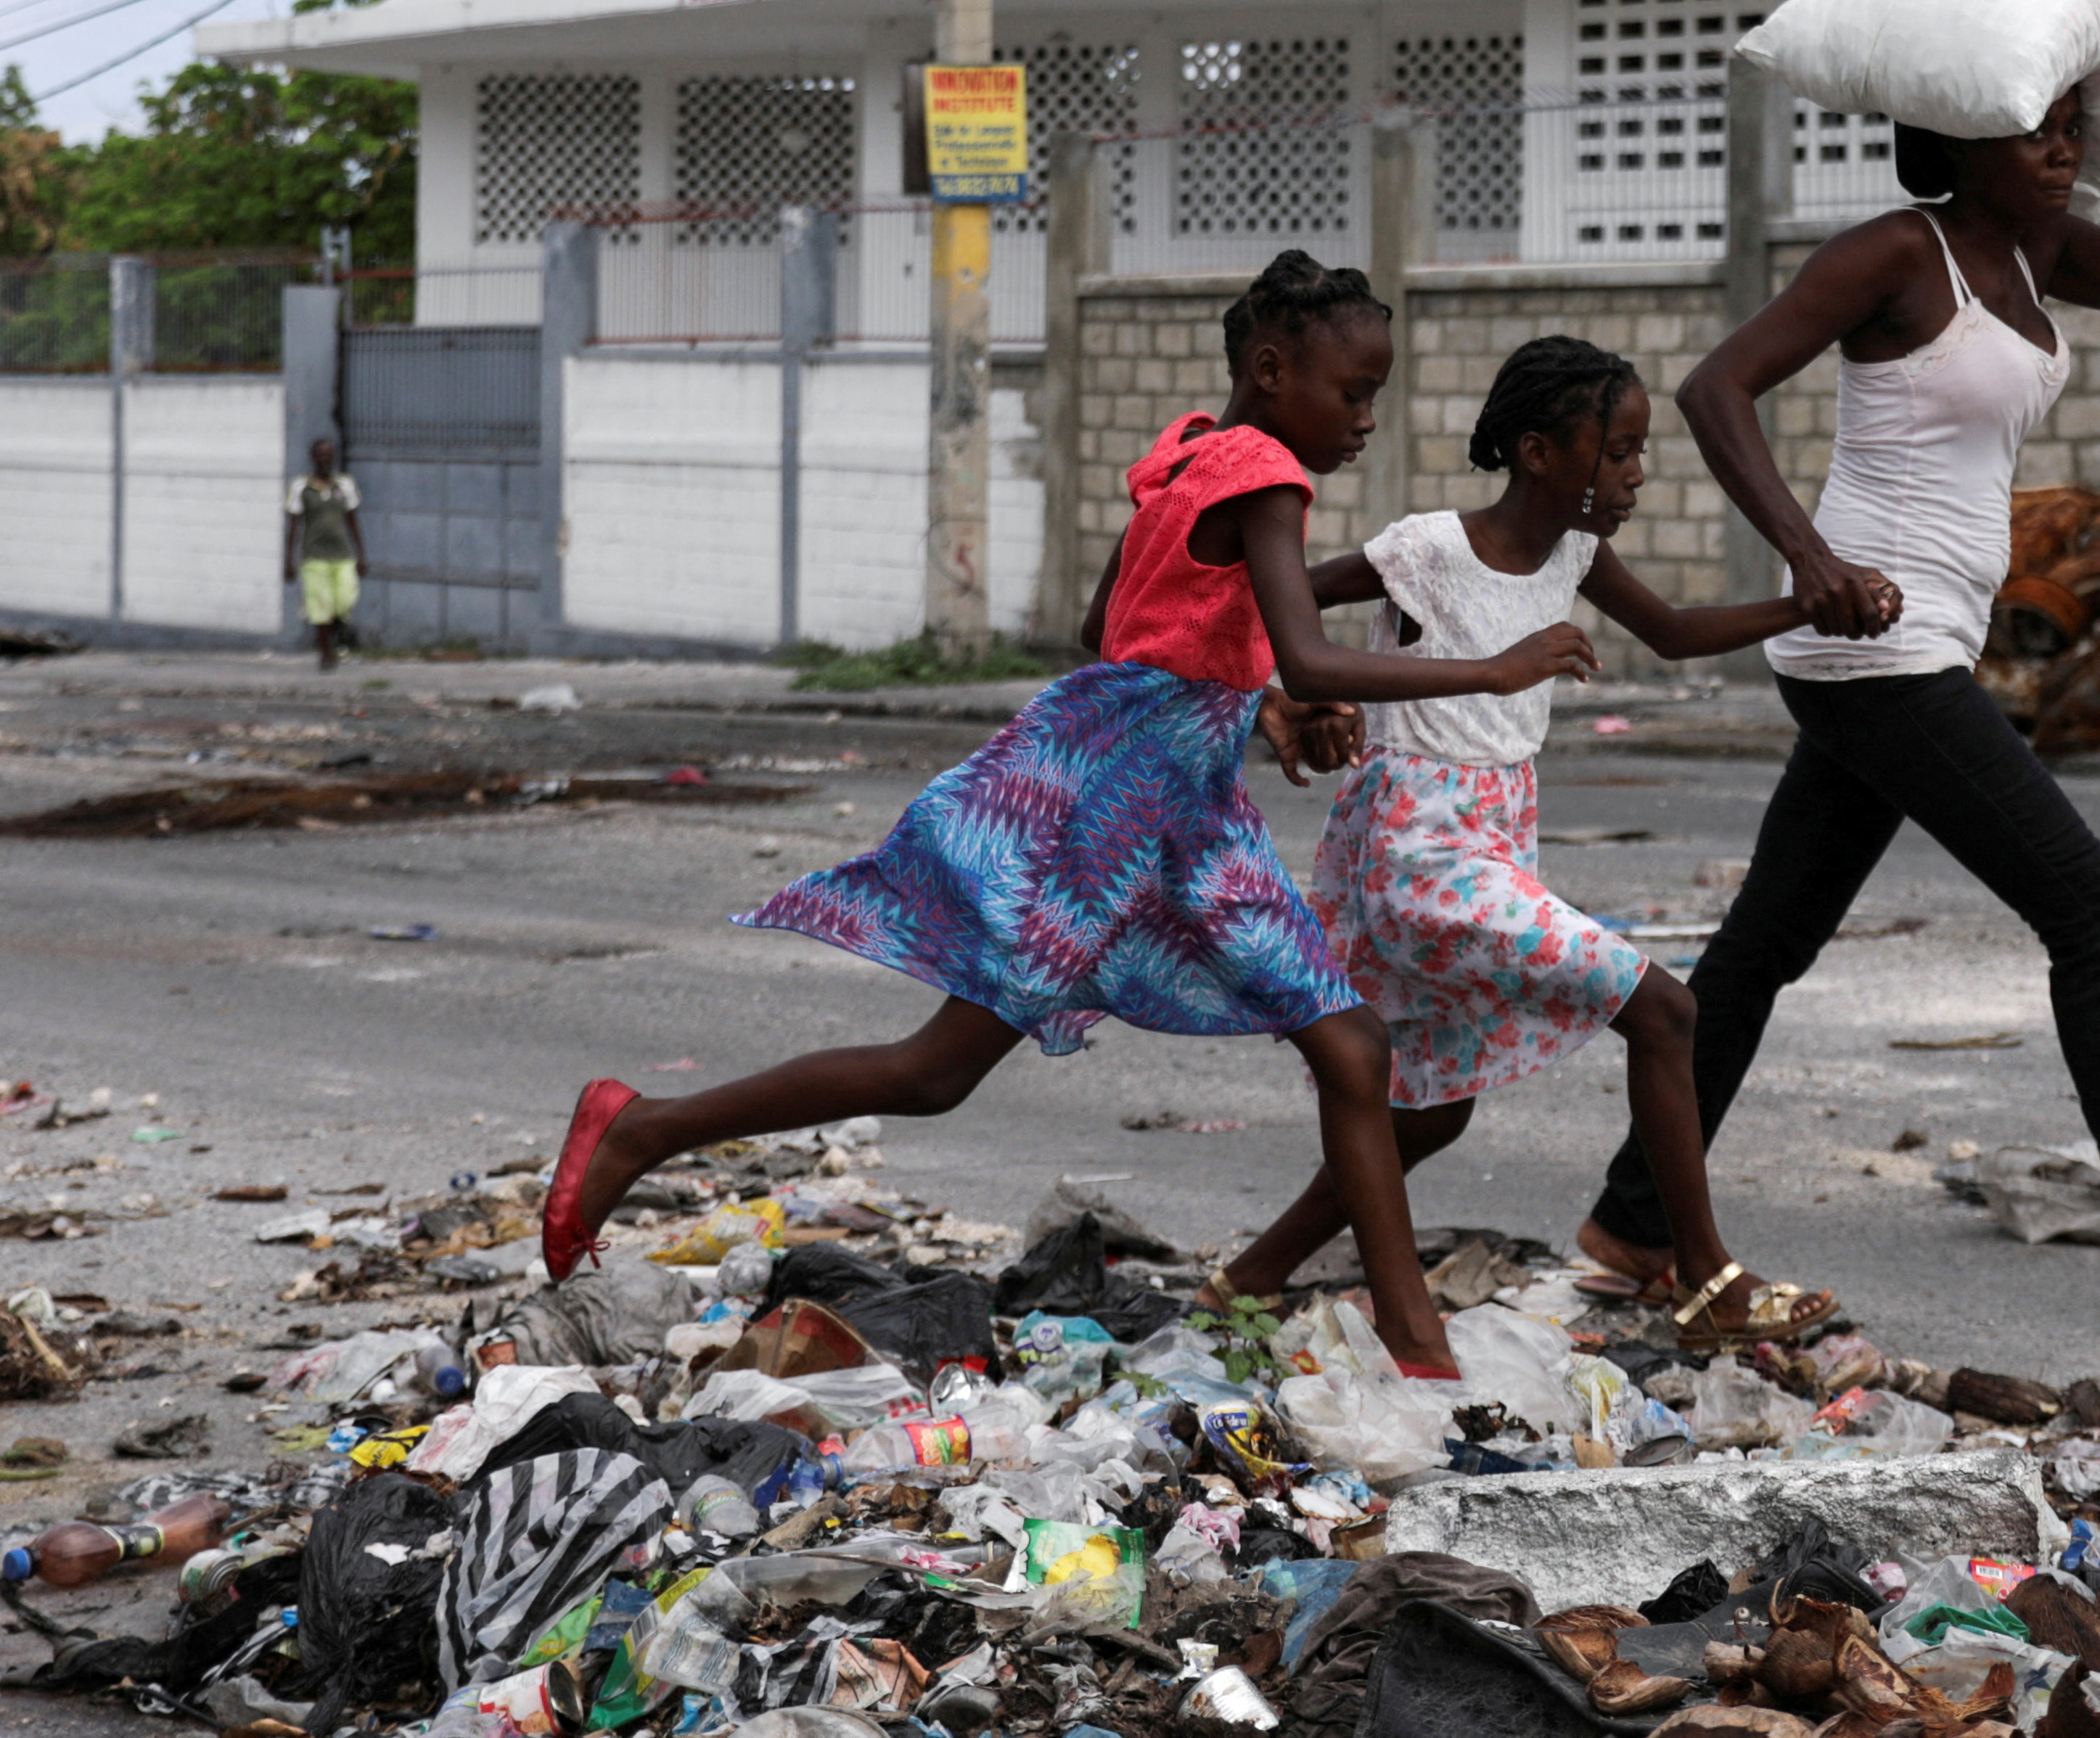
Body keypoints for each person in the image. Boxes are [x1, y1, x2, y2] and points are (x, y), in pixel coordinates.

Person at [535, 251, 1596, 1377]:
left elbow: (1118, 626)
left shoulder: (1188, 451)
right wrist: (1487, 671)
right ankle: (639, 1125)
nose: (1367, 417)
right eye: (1352, 390)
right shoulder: (1262, 471)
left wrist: (1265, 712)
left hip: (1149, 795)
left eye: (1374, 392)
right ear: (1272, 369)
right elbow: (1304, 643)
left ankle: (1411, 1340)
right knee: (998, 1065)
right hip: (1125, 814)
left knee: (1319, 1046)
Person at [1577, 0, 2100, 1331]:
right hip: (1876, 645)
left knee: (1761, 949)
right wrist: (1806, 556)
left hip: (1905, 649)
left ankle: (1632, 1224)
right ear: (1957, 140)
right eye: (2026, 125)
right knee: (2095, 913)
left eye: (2068, 122)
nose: (2057, 143)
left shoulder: (2042, 258)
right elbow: (1715, 388)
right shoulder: (1893, 254)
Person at [1205, 336, 1896, 1353]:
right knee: (1663, 1008)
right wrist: (1289, 696)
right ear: (1539, 450)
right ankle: (1706, 1279)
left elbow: (1669, 630)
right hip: (1414, 848)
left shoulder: (1573, 551)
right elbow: (1280, 599)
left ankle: (1253, 1272)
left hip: (1492, 838)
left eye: (1636, 452)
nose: (1633, 473)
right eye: (1614, 451)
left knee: (1434, 1109)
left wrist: (1812, 602)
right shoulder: (1427, 547)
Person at [282, 438, 366, 671]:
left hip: (343, 555)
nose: (324, 459)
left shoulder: (345, 485)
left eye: (328, 455)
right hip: (314, 556)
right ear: (313, 457)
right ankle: (326, 653)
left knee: (344, 601)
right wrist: (288, 561)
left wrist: (362, 554)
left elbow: (353, 521)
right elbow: (294, 525)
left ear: (333, 457)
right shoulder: (301, 486)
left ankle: (339, 631)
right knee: (320, 607)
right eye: (319, 454)